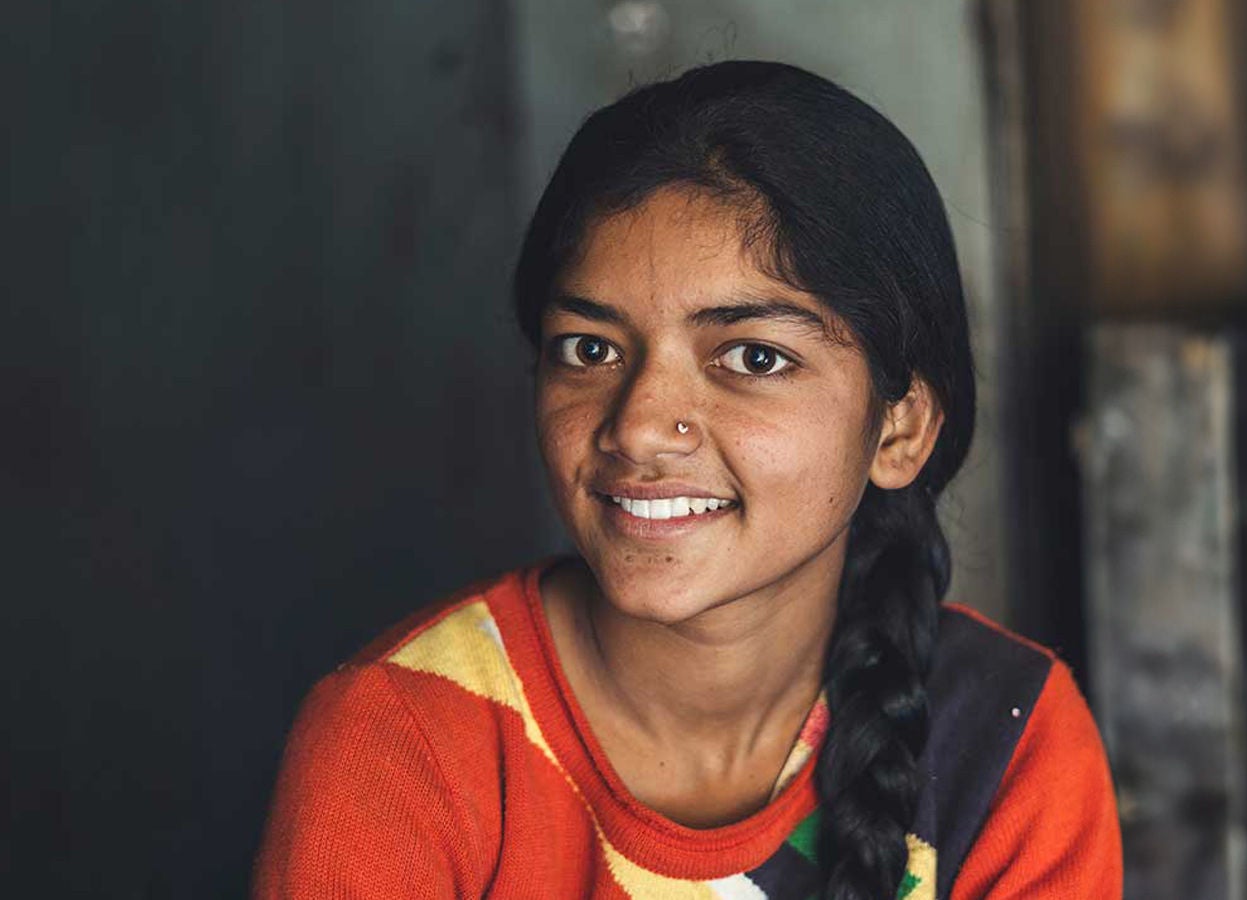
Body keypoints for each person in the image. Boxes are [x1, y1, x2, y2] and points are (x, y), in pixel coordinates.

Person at [253, 61, 1121, 899]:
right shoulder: (405, 739)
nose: (635, 424)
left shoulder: (1005, 741)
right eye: (589, 349)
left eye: (751, 357)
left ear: (900, 428)